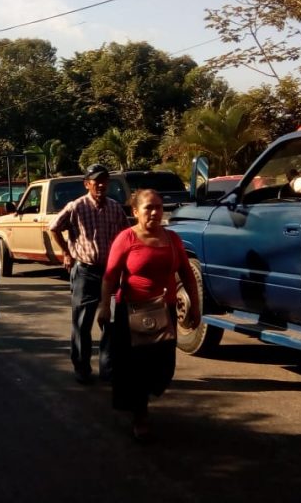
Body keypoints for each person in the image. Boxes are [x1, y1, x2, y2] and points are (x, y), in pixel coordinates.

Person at [97, 189, 200, 440]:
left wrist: (196, 306)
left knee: (164, 367)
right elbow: (110, 277)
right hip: (132, 314)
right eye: (148, 208)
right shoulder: (126, 238)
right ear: (135, 212)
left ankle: (141, 399)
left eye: (158, 207)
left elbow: (186, 273)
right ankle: (140, 414)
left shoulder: (173, 239)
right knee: (136, 368)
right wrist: (104, 307)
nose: (154, 212)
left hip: (164, 313)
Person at [48, 163, 128, 384]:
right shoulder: (76, 206)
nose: (101, 185)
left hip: (110, 274)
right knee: (82, 323)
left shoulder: (115, 207)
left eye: (104, 181)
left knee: (110, 322)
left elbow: (125, 236)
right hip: (85, 272)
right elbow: (53, 227)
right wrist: (66, 252)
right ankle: (82, 367)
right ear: (87, 184)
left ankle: (108, 369)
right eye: (96, 181)